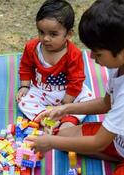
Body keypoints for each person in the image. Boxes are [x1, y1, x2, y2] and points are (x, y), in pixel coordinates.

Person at [27, 0, 124, 175]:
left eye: (98, 53)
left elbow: (98, 143)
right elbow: (106, 103)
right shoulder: (121, 64)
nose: (92, 57)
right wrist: (66, 109)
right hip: (121, 139)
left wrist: (49, 142)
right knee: (64, 139)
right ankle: (117, 158)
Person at [16, 0, 93, 130]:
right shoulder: (32, 48)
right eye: (41, 32)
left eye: (53, 34)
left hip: (68, 92)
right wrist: (24, 85)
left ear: (68, 34)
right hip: (41, 90)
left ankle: (69, 120)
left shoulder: (73, 54)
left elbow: (76, 81)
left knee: (88, 99)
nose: (45, 38)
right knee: (23, 101)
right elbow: (25, 66)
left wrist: (65, 104)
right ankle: (45, 118)